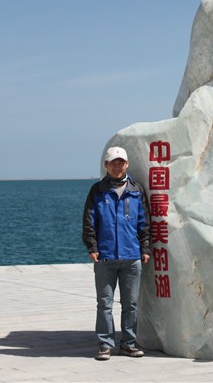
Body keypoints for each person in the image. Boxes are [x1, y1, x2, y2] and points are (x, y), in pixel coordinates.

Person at [82, 147, 151, 361]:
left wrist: (145, 248)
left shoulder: (136, 189)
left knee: (131, 305)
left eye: (121, 162)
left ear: (127, 164)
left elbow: (144, 222)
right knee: (105, 304)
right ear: (106, 165)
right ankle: (105, 344)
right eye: (113, 162)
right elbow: (89, 221)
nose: (117, 166)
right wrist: (92, 247)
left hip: (131, 256)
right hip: (105, 256)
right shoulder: (97, 190)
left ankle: (128, 343)